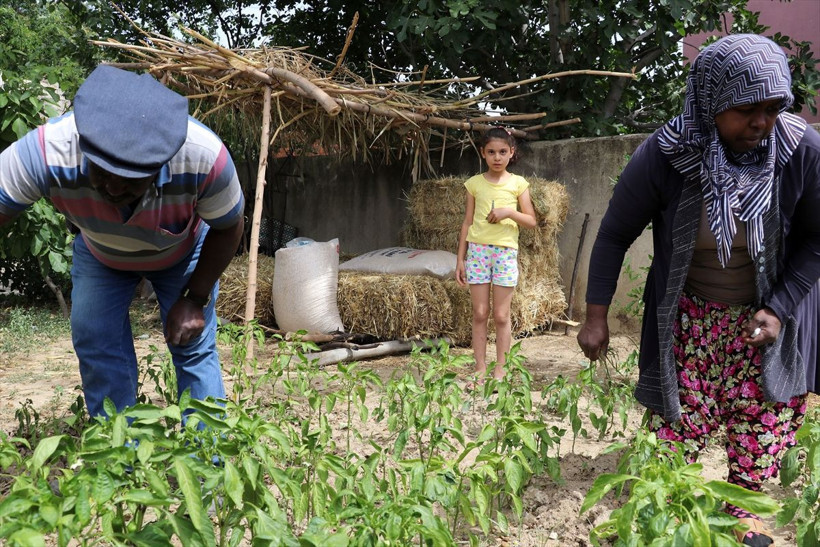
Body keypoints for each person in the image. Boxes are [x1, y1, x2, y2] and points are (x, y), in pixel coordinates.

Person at [577, 34, 820, 546]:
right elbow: (615, 235)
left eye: (773, 107)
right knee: (676, 423)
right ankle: (667, 503)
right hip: (690, 316)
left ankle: (745, 508)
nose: (762, 123)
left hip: (769, 317)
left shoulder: (801, 151)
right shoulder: (667, 155)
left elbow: (818, 241)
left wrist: (778, 308)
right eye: (746, 110)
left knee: (762, 415)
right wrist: (595, 316)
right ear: (710, 101)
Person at [0, 65, 245, 418]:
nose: (113, 189)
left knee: (192, 347)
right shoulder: (46, 151)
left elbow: (230, 227)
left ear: (162, 162)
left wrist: (196, 297)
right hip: (101, 254)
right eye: (101, 173)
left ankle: (206, 463)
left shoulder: (203, 156)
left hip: (181, 252)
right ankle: (118, 459)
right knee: (97, 340)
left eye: (131, 179)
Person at [456, 127, 536, 389]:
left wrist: (508, 213)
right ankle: (479, 368)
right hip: (477, 252)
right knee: (480, 313)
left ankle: (500, 369)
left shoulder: (518, 184)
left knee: (501, 316)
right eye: (491, 152)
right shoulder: (474, 184)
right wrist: (460, 260)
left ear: (511, 153)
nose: (497, 157)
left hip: (504, 253)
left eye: (503, 152)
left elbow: (531, 221)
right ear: (483, 153)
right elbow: (467, 223)